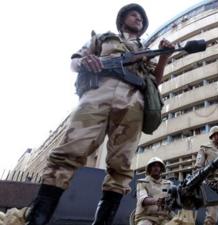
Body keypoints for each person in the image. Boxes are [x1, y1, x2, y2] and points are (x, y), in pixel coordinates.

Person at [25, 3, 174, 225]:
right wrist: (86, 62)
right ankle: (37, 219)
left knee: (121, 167)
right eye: (134, 15)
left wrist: (164, 57)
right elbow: (75, 60)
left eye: (141, 17)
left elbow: (155, 81)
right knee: (68, 151)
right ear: (122, 19)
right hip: (97, 94)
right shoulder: (104, 38)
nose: (138, 18)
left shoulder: (145, 50)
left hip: (133, 103)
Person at [134, 157, 174, 225]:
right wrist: (157, 201)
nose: (156, 168)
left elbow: (175, 199)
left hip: (164, 218)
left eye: (158, 166)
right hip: (146, 217)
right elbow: (143, 199)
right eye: (153, 166)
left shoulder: (168, 184)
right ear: (149, 169)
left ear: (161, 169)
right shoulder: (142, 183)